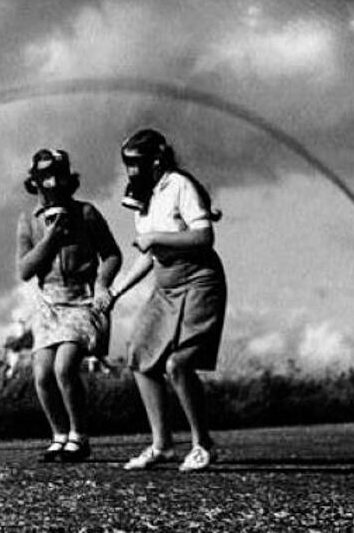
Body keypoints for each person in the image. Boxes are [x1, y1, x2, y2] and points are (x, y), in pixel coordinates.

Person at [107, 128, 226, 472]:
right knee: (140, 357)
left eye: (136, 163)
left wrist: (157, 236)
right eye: (127, 164)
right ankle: (162, 446)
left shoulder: (179, 185)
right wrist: (116, 292)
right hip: (166, 284)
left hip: (199, 281)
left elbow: (204, 236)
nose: (131, 170)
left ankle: (203, 444)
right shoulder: (142, 197)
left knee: (179, 364)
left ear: (156, 160)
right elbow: (149, 254)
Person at [16, 148, 122, 462]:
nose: (53, 183)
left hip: (82, 300)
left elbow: (112, 254)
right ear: (35, 182)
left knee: (65, 367)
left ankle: (80, 435)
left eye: (59, 175)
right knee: (43, 375)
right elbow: (25, 270)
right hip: (49, 303)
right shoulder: (29, 221)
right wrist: (50, 238)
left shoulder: (86, 213)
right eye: (45, 177)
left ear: (69, 179)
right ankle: (59, 436)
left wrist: (103, 283)